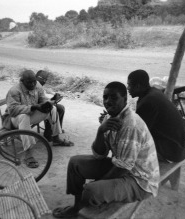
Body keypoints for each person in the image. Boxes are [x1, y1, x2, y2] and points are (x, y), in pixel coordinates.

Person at [52, 82, 159, 218]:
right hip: (123, 167)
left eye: (113, 97)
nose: (108, 101)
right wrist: (100, 131)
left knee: (91, 190)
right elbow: (99, 154)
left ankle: (77, 209)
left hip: (140, 181)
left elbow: (123, 168)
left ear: (125, 99)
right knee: (75, 163)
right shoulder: (111, 117)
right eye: (105, 97)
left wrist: (100, 182)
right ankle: (78, 206)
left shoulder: (130, 125)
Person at [4, 69, 72, 168]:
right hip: (14, 119)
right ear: (22, 81)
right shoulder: (14, 90)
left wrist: (51, 101)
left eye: (34, 82)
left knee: (52, 109)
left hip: (30, 114)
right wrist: (33, 107)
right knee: (24, 117)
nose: (32, 84)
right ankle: (28, 153)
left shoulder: (37, 85)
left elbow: (42, 99)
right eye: (29, 82)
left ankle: (56, 138)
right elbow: (13, 110)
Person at [127, 69, 185, 162]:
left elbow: (138, 134)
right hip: (179, 149)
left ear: (138, 86)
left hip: (171, 153)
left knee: (126, 146)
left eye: (129, 85)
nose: (128, 88)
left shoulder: (147, 102)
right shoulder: (154, 92)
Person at [35, 70, 66, 137]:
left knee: (60, 108)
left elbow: (42, 99)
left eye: (46, 79)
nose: (45, 81)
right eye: (44, 79)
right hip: (36, 109)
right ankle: (50, 133)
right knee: (58, 109)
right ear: (38, 77)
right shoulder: (36, 85)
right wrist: (53, 100)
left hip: (39, 106)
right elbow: (41, 102)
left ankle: (55, 129)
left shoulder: (37, 85)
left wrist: (53, 99)